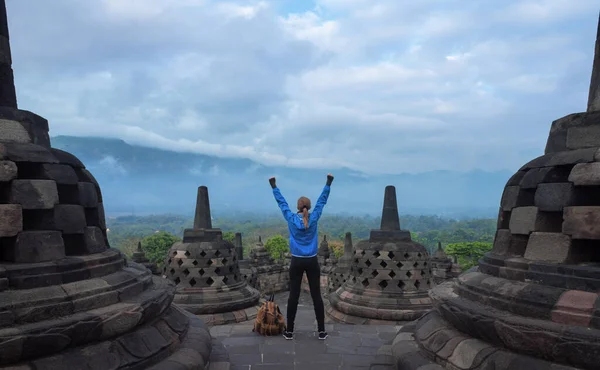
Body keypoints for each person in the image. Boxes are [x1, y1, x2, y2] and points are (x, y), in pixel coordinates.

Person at [269, 174, 333, 340]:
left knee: (293, 296)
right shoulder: (314, 218)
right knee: (316, 296)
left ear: (297, 207)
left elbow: (281, 203)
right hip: (312, 261)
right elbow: (322, 201)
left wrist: (274, 187)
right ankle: (321, 331)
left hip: (296, 261)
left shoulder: (291, 218)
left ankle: (289, 331)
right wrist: (328, 183)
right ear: (309, 207)